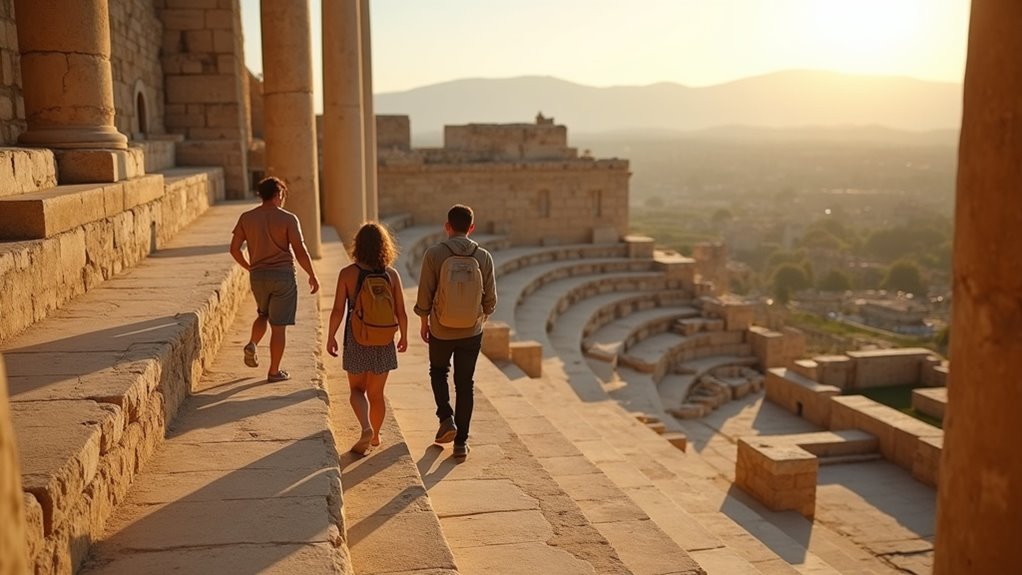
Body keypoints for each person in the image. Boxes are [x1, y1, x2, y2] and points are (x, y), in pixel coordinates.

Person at [414, 204, 497, 460]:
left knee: (438, 371)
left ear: (447, 226)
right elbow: (491, 301)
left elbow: (425, 293)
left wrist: (424, 322)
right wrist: (478, 319)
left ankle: (445, 418)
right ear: (472, 227)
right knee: (465, 384)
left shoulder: (434, 254)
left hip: (441, 328)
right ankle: (461, 443)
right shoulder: (483, 256)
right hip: (471, 331)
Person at [326, 222, 409, 454]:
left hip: (356, 338)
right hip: (384, 340)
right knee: (376, 394)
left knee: (356, 391)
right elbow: (401, 311)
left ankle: (365, 427)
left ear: (358, 246)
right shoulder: (391, 275)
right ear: (385, 246)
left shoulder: (347, 274)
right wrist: (403, 336)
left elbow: (337, 311)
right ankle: (375, 436)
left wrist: (331, 337)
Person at [230, 176, 320, 382]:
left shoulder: (246, 217)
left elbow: (234, 249)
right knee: (278, 327)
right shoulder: (288, 219)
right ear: (279, 194)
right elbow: (300, 250)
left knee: (263, 314)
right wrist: (312, 275)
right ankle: (273, 371)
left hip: (258, 276)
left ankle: (252, 343)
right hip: (283, 277)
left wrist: (250, 267)